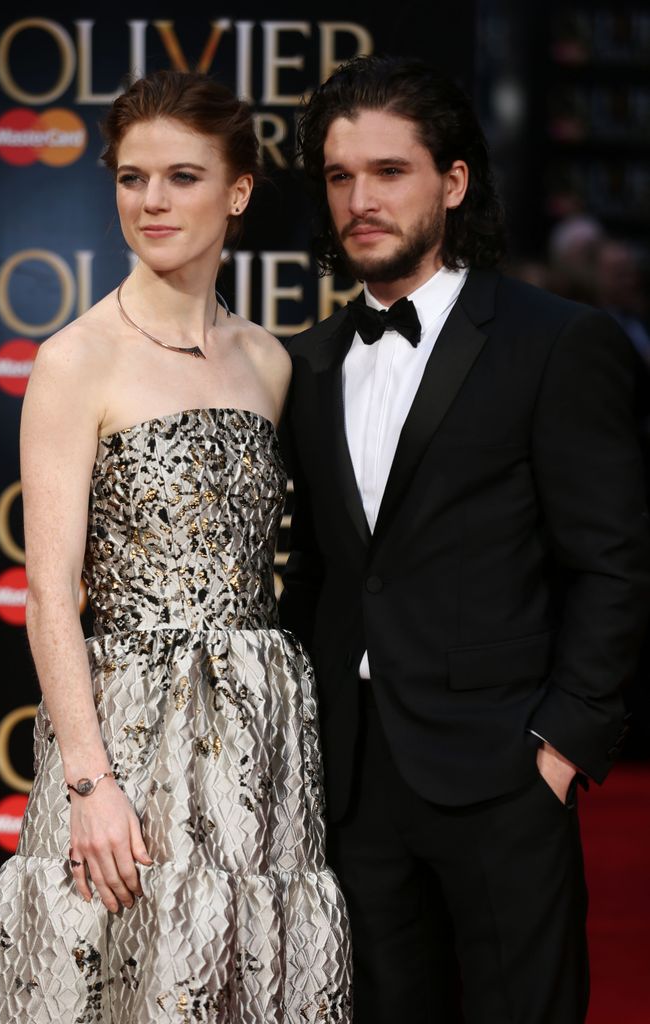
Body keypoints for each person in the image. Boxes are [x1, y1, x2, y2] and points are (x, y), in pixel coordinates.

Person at [0, 69, 351, 1024]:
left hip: (258, 734)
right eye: (132, 179)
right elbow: (51, 593)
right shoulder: (75, 360)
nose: (152, 202)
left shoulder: (269, 359)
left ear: (239, 191)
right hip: (127, 732)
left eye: (182, 176)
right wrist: (91, 782)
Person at [280, 55, 650, 1024]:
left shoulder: (556, 341)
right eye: (338, 175)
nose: (360, 198)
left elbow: (611, 558)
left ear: (452, 182)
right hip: (353, 785)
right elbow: (320, 571)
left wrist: (563, 740)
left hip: (501, 773)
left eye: (389, 171)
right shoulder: (305, 363)